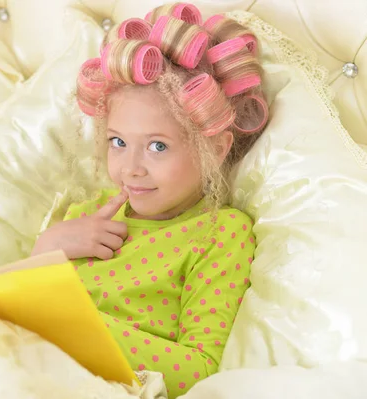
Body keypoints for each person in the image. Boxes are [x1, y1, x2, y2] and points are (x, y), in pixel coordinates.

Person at [31, 3, 268, 397]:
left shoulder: (219, 233)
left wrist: (74, 325)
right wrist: (46, 249)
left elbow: (199, 370)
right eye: (118, 142)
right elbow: (5, 307)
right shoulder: (83, 218)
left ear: (217, 147)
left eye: (157, 146)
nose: (131, 168)